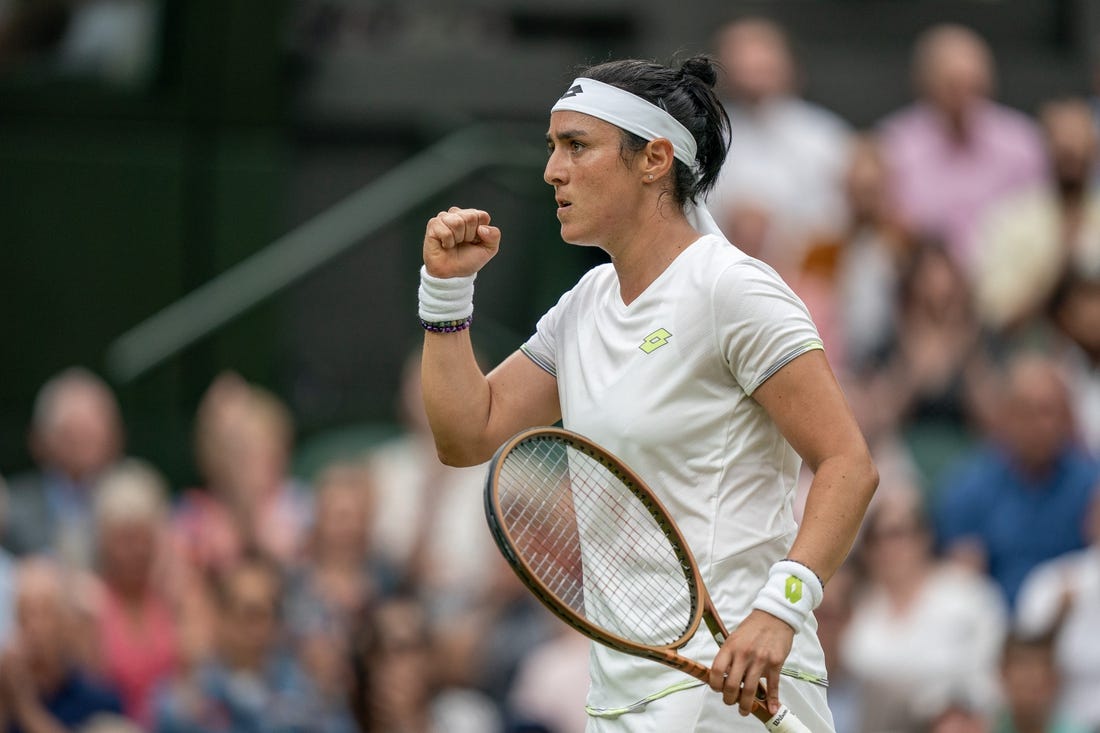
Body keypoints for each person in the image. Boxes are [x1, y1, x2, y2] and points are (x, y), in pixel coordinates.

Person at [416, 55, 878, 731]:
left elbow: (848, 463)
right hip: (622, 696)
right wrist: (447, 293)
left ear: (655, 159)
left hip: (735, 689)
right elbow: (467, 434)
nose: (553, 169)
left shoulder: (733, 289)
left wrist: (781, 609)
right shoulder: (584, 306)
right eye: (552, 147)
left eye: (577, 146)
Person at [935, 352, 1100, 610]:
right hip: (997, 631)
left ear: (1068, 419)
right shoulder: (968, 487)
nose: (1036, 425)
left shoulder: (1092, 484)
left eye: (1047, 412)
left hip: (1073, 625)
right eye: (1024, 411)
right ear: (1003, 416)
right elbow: (964, 585)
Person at [877, 23, 1046, 274]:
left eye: (973, 85)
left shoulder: (1022, 142)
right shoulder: (894, 145)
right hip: (919, 284)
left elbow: (1039, 223)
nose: (964, 97)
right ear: (925, 84)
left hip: (1009, 283)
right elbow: (890, 231)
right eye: (953, 85)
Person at [705, 17, 852, 275]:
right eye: (742, 60)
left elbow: (840, 217)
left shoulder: (825, 137)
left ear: (788, 65)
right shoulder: (708, 135)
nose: (751, 71)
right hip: (721, 273)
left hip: (807, 279)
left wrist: (780, 231)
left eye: (762, 60)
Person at [2, 367, 125, 566]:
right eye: (70, 433)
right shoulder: (11, 510)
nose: (82, 444)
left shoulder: (140, 504)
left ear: (115, 437)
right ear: (39, 440)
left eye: (90, 432)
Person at [0, 557, 124, 733]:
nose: (33, 627)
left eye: (45, 613)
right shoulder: (7, 689)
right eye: (23, 613)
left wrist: (25, 708)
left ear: (67, 622)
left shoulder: (99, 702)